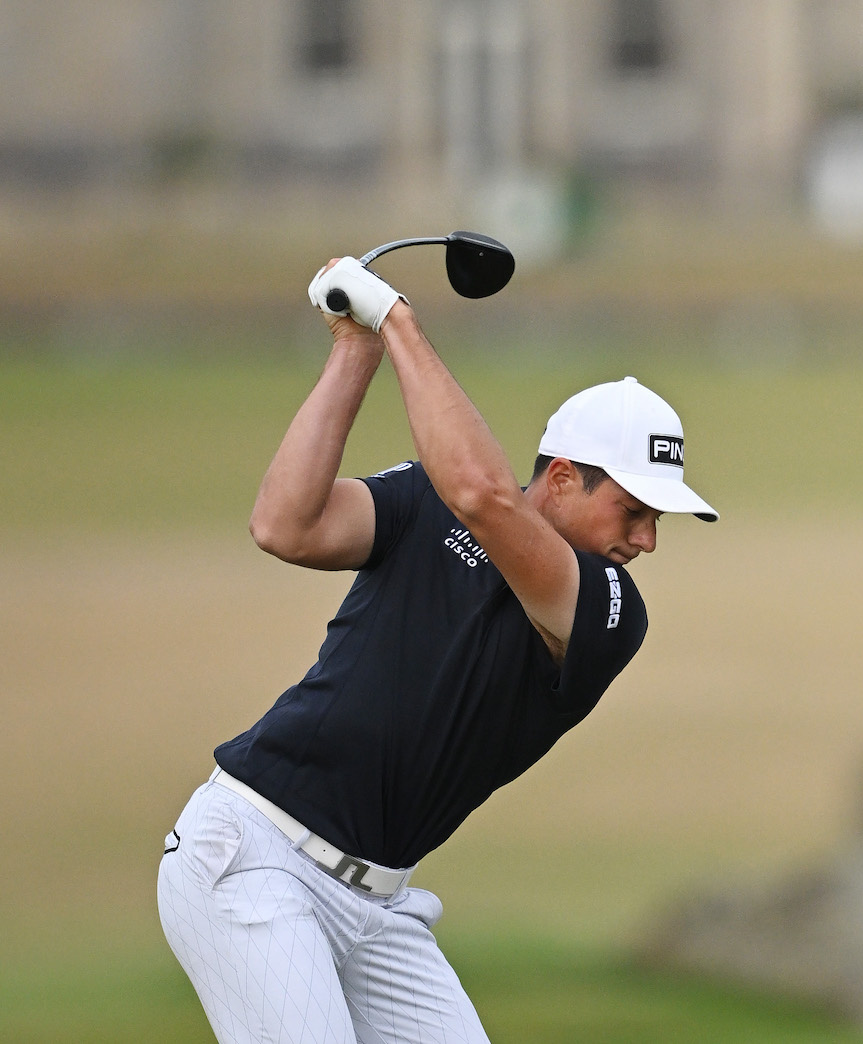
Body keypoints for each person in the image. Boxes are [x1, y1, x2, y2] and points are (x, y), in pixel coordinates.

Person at [156, 257, 716, 1043]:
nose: (648, 540)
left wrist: (397, 320)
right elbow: (285, 523)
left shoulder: (610, 612)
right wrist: (361, 345)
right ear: (561, 479)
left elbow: (484, 497)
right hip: (256, 854)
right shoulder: (424, 500)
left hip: (378, 906)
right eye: (633, 510)